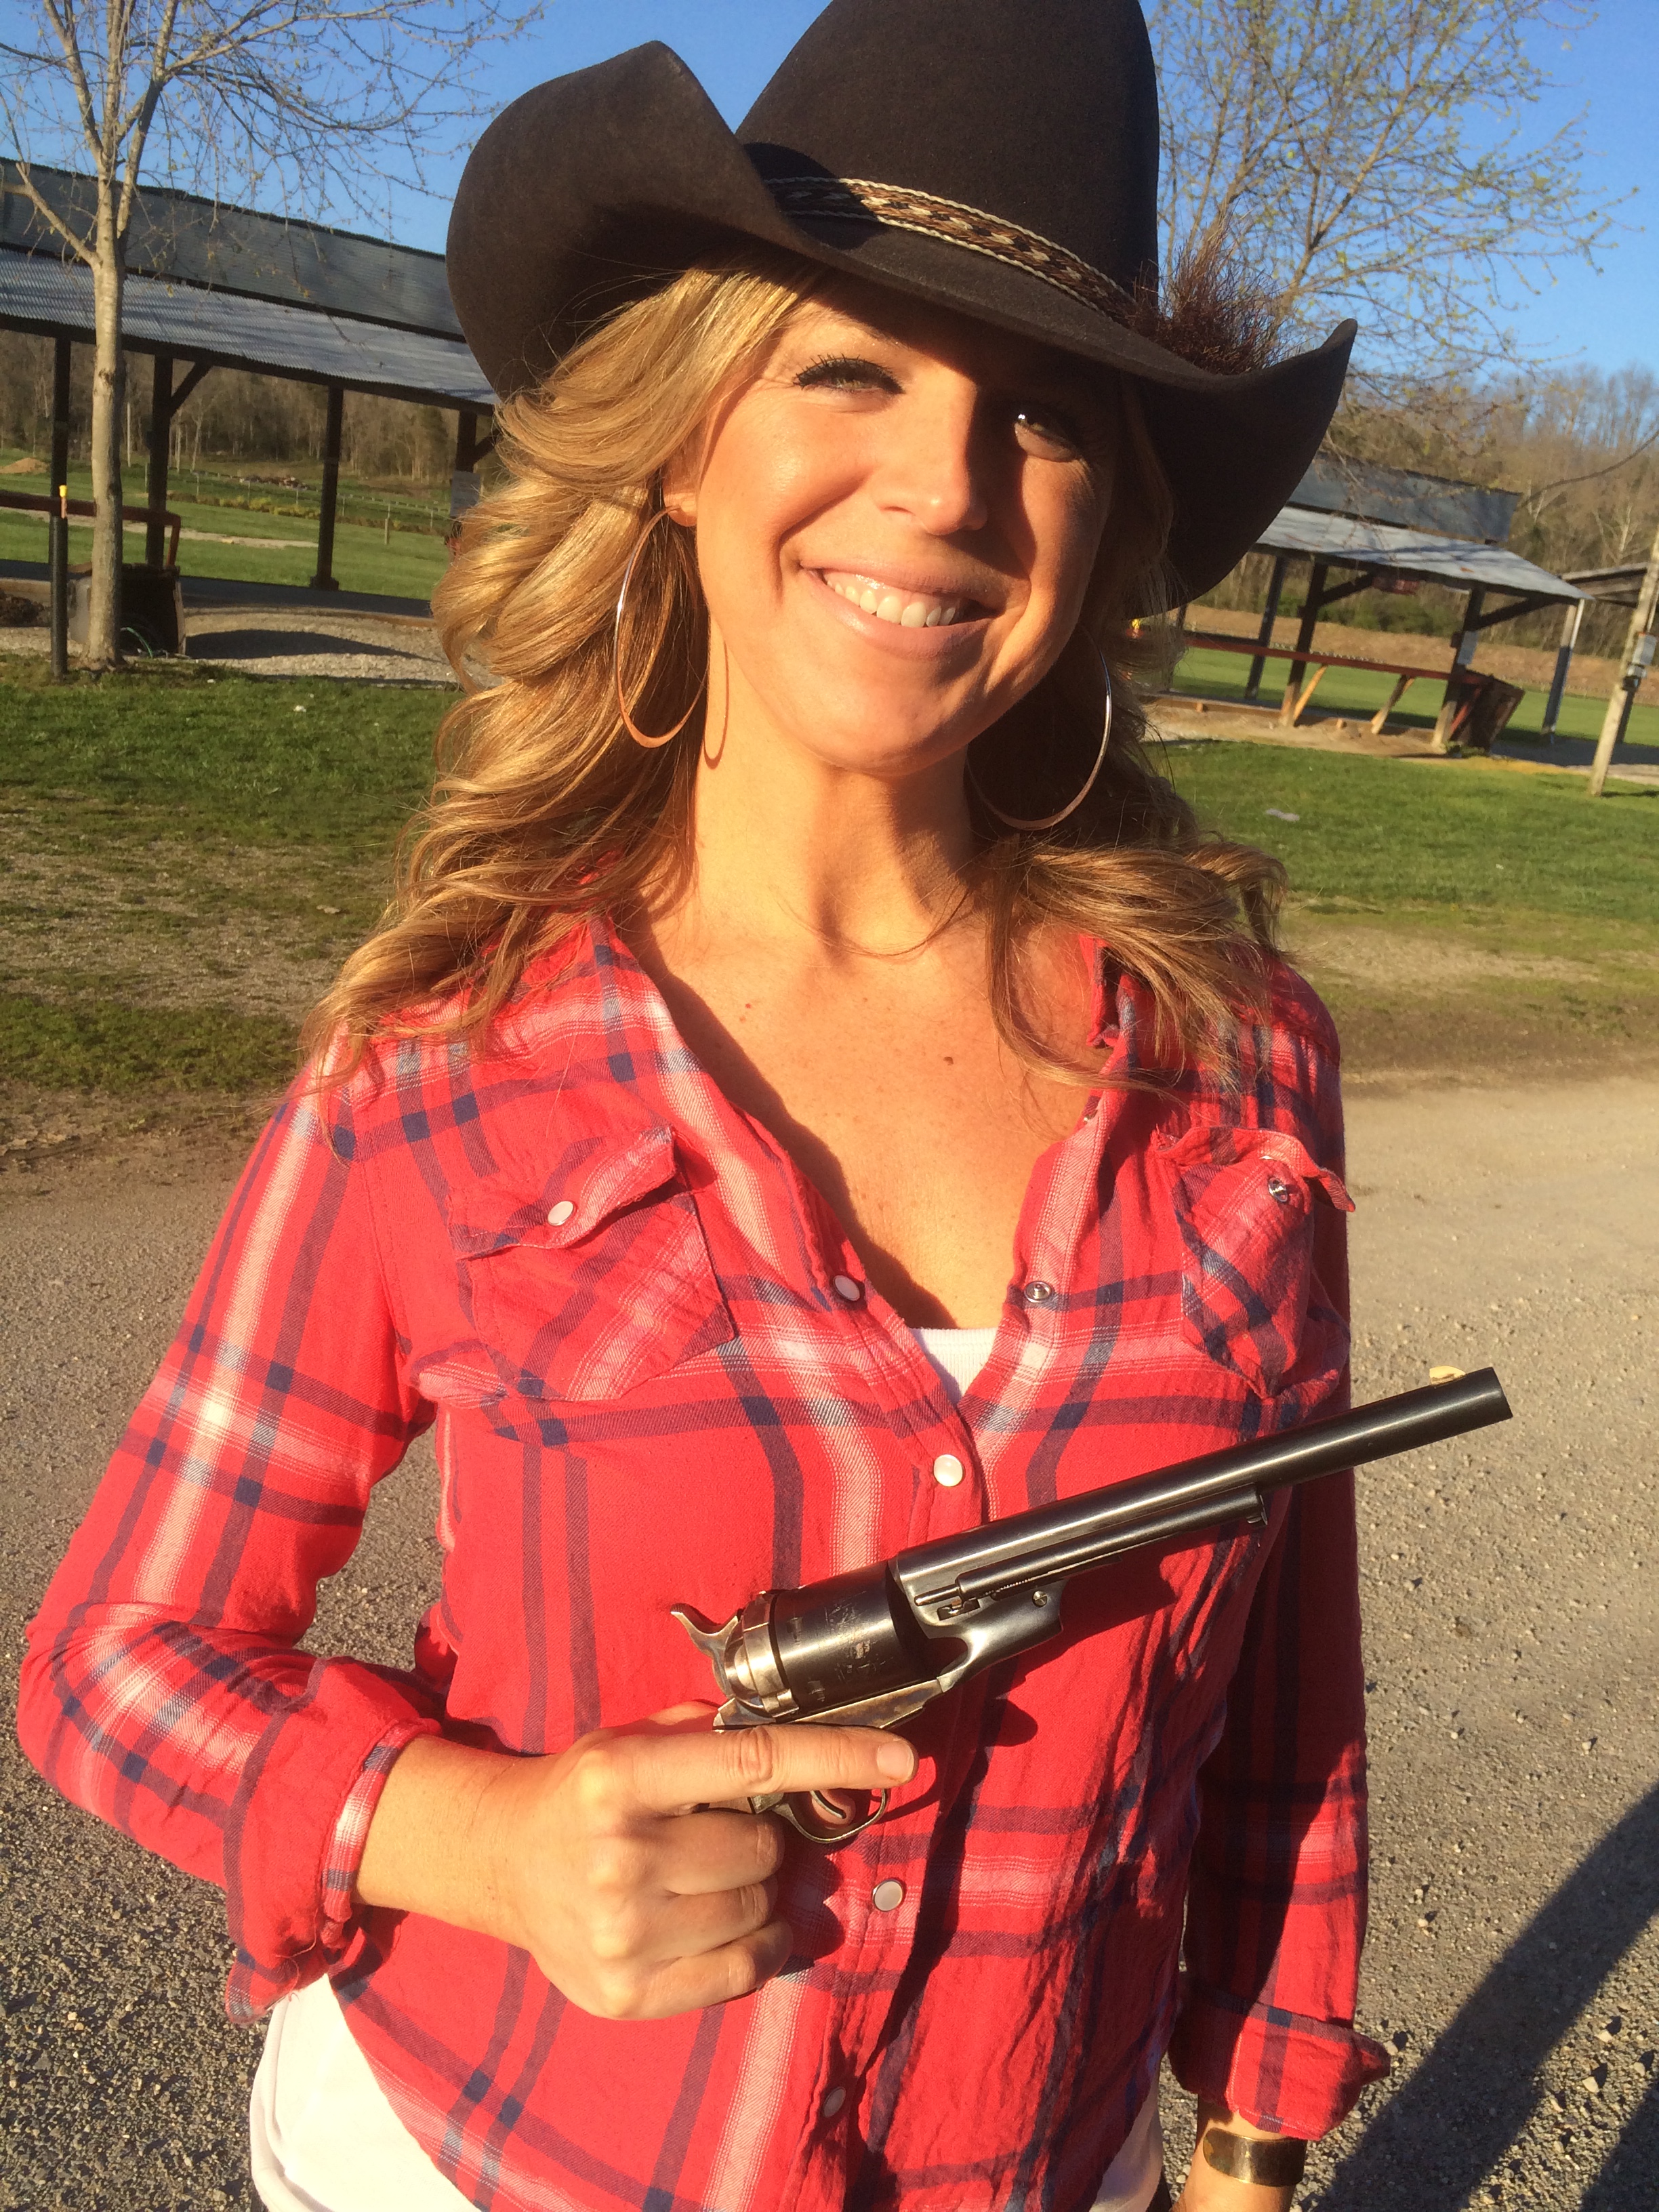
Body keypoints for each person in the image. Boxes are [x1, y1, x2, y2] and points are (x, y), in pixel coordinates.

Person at [18, 3, 1389, 2207]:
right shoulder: (443, 1062)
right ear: (682, 440)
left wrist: (1255, 2122)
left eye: (1040, 416)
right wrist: (472, 1836)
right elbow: (112, 1663)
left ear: (1105, 520)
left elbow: (1287, 1670)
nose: (945, 488)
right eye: (851, 371)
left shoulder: (1238, 1060)